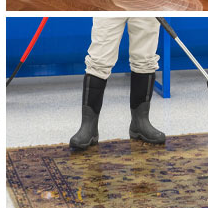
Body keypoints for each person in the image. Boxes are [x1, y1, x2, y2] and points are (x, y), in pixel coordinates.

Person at [70, 17, 165, 150]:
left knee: (145, 59)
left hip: (146, 2)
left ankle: (140, 123)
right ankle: (88, 127)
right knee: (99, 60)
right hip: (110, 3)